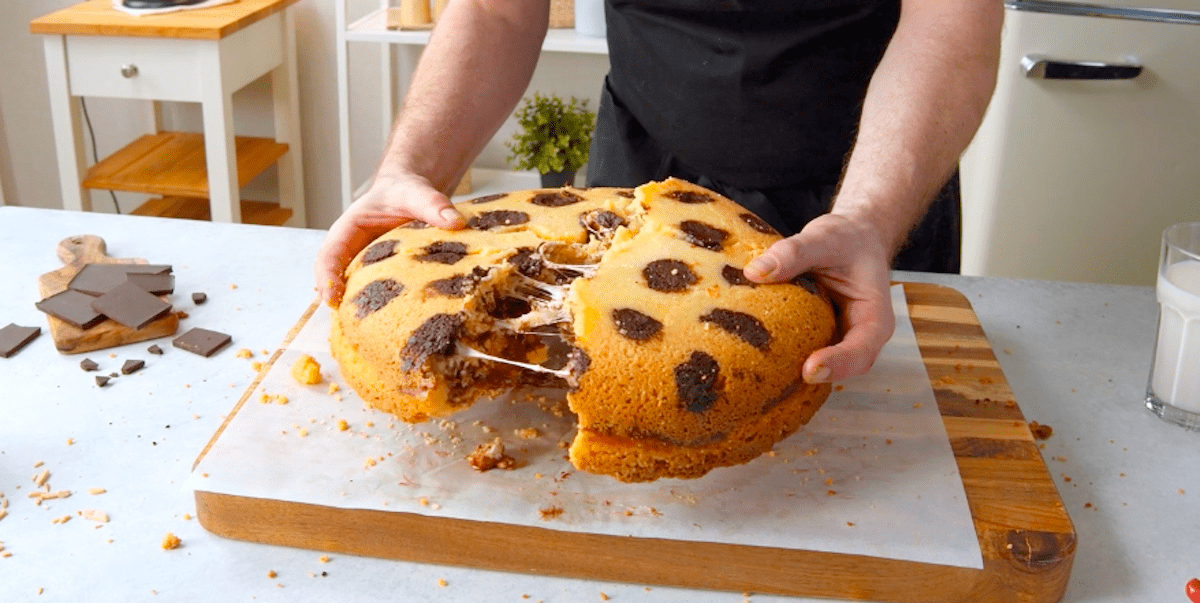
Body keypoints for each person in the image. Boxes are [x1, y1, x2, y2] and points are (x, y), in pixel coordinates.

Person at [315, 0, 1003, 384]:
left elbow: (950, 24)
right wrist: (408, 168)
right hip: (638, 180)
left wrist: (869, 216)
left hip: (865, 193)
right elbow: (498, 12)